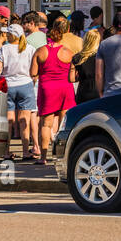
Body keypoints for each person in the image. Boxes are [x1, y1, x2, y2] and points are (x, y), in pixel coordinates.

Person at [29, 17, 76, 165]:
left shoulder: (40, 51)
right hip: (65, 88)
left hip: (48, 88)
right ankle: (66, 157)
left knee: (46, 124)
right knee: (65, 125)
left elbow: (33, 73)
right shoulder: (68, 52)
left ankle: (43, 157)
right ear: (61, 36)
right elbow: (72, 75)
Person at [0, 25, 37, 158]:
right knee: (25, 120)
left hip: (8, 85)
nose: (6, 35)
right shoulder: (30, 49)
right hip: (26, 84)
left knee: (9, 121)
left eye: (8, 34)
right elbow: (35, 71)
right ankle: (25, 151)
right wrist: (33, 82)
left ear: (12, 35)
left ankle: (6, 151)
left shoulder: (4, 49)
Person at [72, 28, 102, 104]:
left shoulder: (77, 57)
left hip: (83, 92)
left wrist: (81, 75)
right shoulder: (101, 56)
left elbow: (71, 78)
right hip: (98, 92)